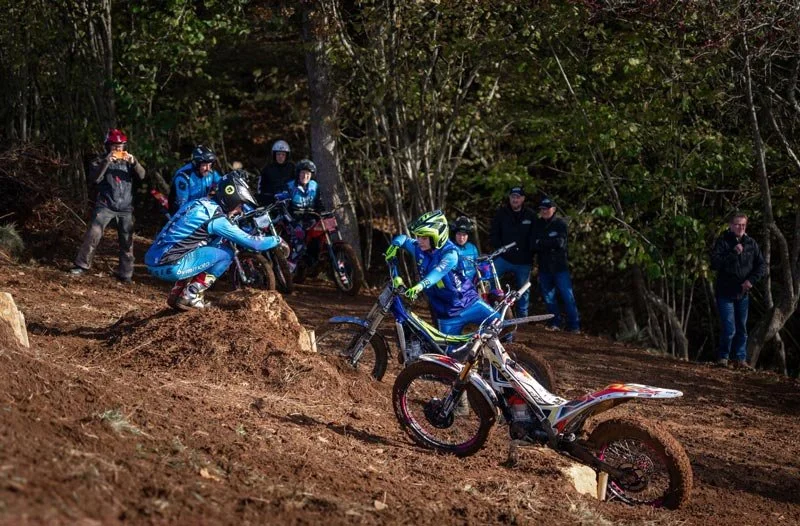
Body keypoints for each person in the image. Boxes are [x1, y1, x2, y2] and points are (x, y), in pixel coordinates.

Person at [145, 172, 282, 310]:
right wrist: (277, 239)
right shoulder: (217, 219)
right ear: (231, 199)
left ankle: (178, 292)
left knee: (209, 244)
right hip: (171, 266)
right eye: (240, 204)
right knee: (226, 253)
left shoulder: (198, 203)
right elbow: (254, 243)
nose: (240, 210)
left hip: (153, 262)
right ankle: (191, 295)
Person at [385, 210, 496, 336]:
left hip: (470, 304)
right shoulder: (420, 248)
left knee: (502, 326)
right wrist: (395, 245)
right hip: (447, 315)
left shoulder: (451, 254)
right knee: (449, 354)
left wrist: (419, 286)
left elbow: (438, 272)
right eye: (418, 236)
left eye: (424, 237)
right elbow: (404, 239)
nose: (419, 240)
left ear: (437, 236)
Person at [69, 128, 146, 283]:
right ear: (107, 146)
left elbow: (143, 176)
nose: (118, 149)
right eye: (114, 146)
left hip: (125, 207)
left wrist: (135, 162)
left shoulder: (129, 162)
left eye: (121, 145)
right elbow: (95, 179)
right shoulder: (99, 160)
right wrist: (106, 162)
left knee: (127, 241)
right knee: (93, 234)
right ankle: (82, 265)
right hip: (106, 204)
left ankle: (126, 274)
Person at [710, 212, 766, 369]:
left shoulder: (751, 243)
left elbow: (761, 266)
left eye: (743, 225)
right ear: (730, 225)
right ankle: (723, 358)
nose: (740, 227)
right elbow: (715, 264)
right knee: (729, 329)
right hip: (725, 292)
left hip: (743, 293)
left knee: (742, 328)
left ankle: (740, 360)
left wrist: (751, 281)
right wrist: (733, 253)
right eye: (737, 224)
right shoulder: (723, 242)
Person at [531, 197, 580, 333]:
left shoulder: (560, 224)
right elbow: (533, 244)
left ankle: (574, 325)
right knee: (548, 297)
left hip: (560, 267)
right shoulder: (537, 224)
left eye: (547, 209)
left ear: (553, 209)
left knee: (567, 296)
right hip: (544, 267)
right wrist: (547, 243)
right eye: (542, 209)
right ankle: (555, 322)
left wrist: (542, 242)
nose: (544, 211)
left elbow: (560, 243)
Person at [489, 186, 536, 318]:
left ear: (523, 199)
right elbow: (494, 234)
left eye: (518, 197)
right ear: (509, 198)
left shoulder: (531, 215)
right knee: (491, 279)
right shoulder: (501, 213)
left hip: (523, 260)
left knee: (523, 289)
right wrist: (499, 248)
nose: (515, 199)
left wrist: (530, 252)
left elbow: (534, 237)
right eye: (513, 197)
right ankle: (493, 310)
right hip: (504, 257)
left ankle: (522, 317)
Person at [278, 159, 324, 269]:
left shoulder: (315, 186)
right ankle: (289, 268)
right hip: (292, 220)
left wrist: (322, 213)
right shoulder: (289, 186)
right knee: (300, 242)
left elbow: (319, 203)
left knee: (319, 240)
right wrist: (292, 223)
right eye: (302, 173)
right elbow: (283, 206)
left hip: (310, 219)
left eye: (308, 174)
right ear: (298, 173)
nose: (305, 176)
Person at [168, 145, 222, 215]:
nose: (208, 169)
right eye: (204, 165)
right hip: (181, 213)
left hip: (200, 207)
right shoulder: (184, 177)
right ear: (196, 164)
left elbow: (222, 182)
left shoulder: (211, 173)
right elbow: (183, 206)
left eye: (210, 165)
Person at [257, 140, 295, 205]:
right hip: (271, 204)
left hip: (289, 202)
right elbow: (260, 188)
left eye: (283, 154)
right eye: (278, 154)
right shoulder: (267, 169)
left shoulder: (292, 168)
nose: (280, 157)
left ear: (287, 156)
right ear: (274, 155)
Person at [452, 216, 479, 282]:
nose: (461, 238)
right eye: (459, 234)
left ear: (468, 235)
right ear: (455, 234)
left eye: (464, 235)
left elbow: (477, 265)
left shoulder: (472, 248)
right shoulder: (450, 248)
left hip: (473, 284)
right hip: (457, 284)